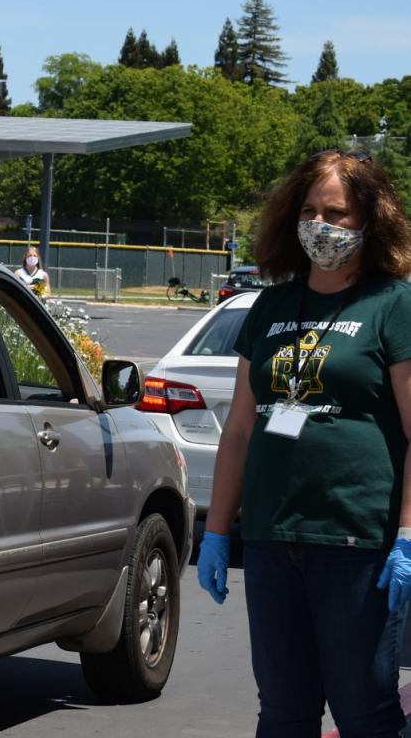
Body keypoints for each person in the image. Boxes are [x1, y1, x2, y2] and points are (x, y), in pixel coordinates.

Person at [198, 149, 411, 738]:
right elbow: (240, 430)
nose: (321, 224)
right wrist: (217, 531)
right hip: (271, 539)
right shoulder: (270, 306)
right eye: (310, 210)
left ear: (370, 219)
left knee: (364, 711)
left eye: (337, 213)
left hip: (356, 540)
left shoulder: (393, 304)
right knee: (284, 713)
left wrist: (409, 534)